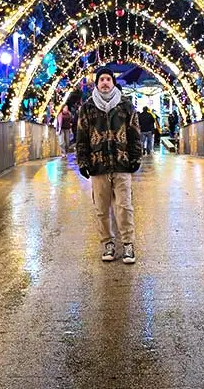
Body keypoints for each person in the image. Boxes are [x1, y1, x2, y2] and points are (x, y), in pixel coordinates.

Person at [76, 67, 142, 264]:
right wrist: (83, 161)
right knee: (102, 209)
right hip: (98, 166)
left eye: (108, 79)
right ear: (96, 84)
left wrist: (135, 158)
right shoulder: (87, 107)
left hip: (122, 164)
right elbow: (81, 137)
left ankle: (128, 244)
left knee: (124, 206)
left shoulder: (126, 106)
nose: (105, 82)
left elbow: (134, 134)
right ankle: (108, 243)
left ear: (113, 82)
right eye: (101, 79)